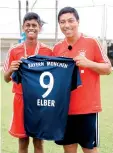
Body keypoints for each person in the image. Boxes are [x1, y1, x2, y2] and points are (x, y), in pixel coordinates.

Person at [53, 7, 112, 153]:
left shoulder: (91, 42)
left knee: (89, 149)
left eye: (70, 20)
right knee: (69, 149)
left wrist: (88, 63)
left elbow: (108, 69)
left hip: (87, 109)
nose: (66, 25)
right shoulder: (57, 48)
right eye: (62, 22)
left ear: (78, 21)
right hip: (65, 110)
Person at [3, 12, 52, 153]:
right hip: (21, 99)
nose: (31, 28)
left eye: (34, 25)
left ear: (40, 28)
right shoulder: (14, 50)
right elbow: (6, 79)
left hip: (40, 101)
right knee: (23, 141)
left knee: (38, 141)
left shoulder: (48, 51)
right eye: (28, 25)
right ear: (23, 28)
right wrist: (11, 70)